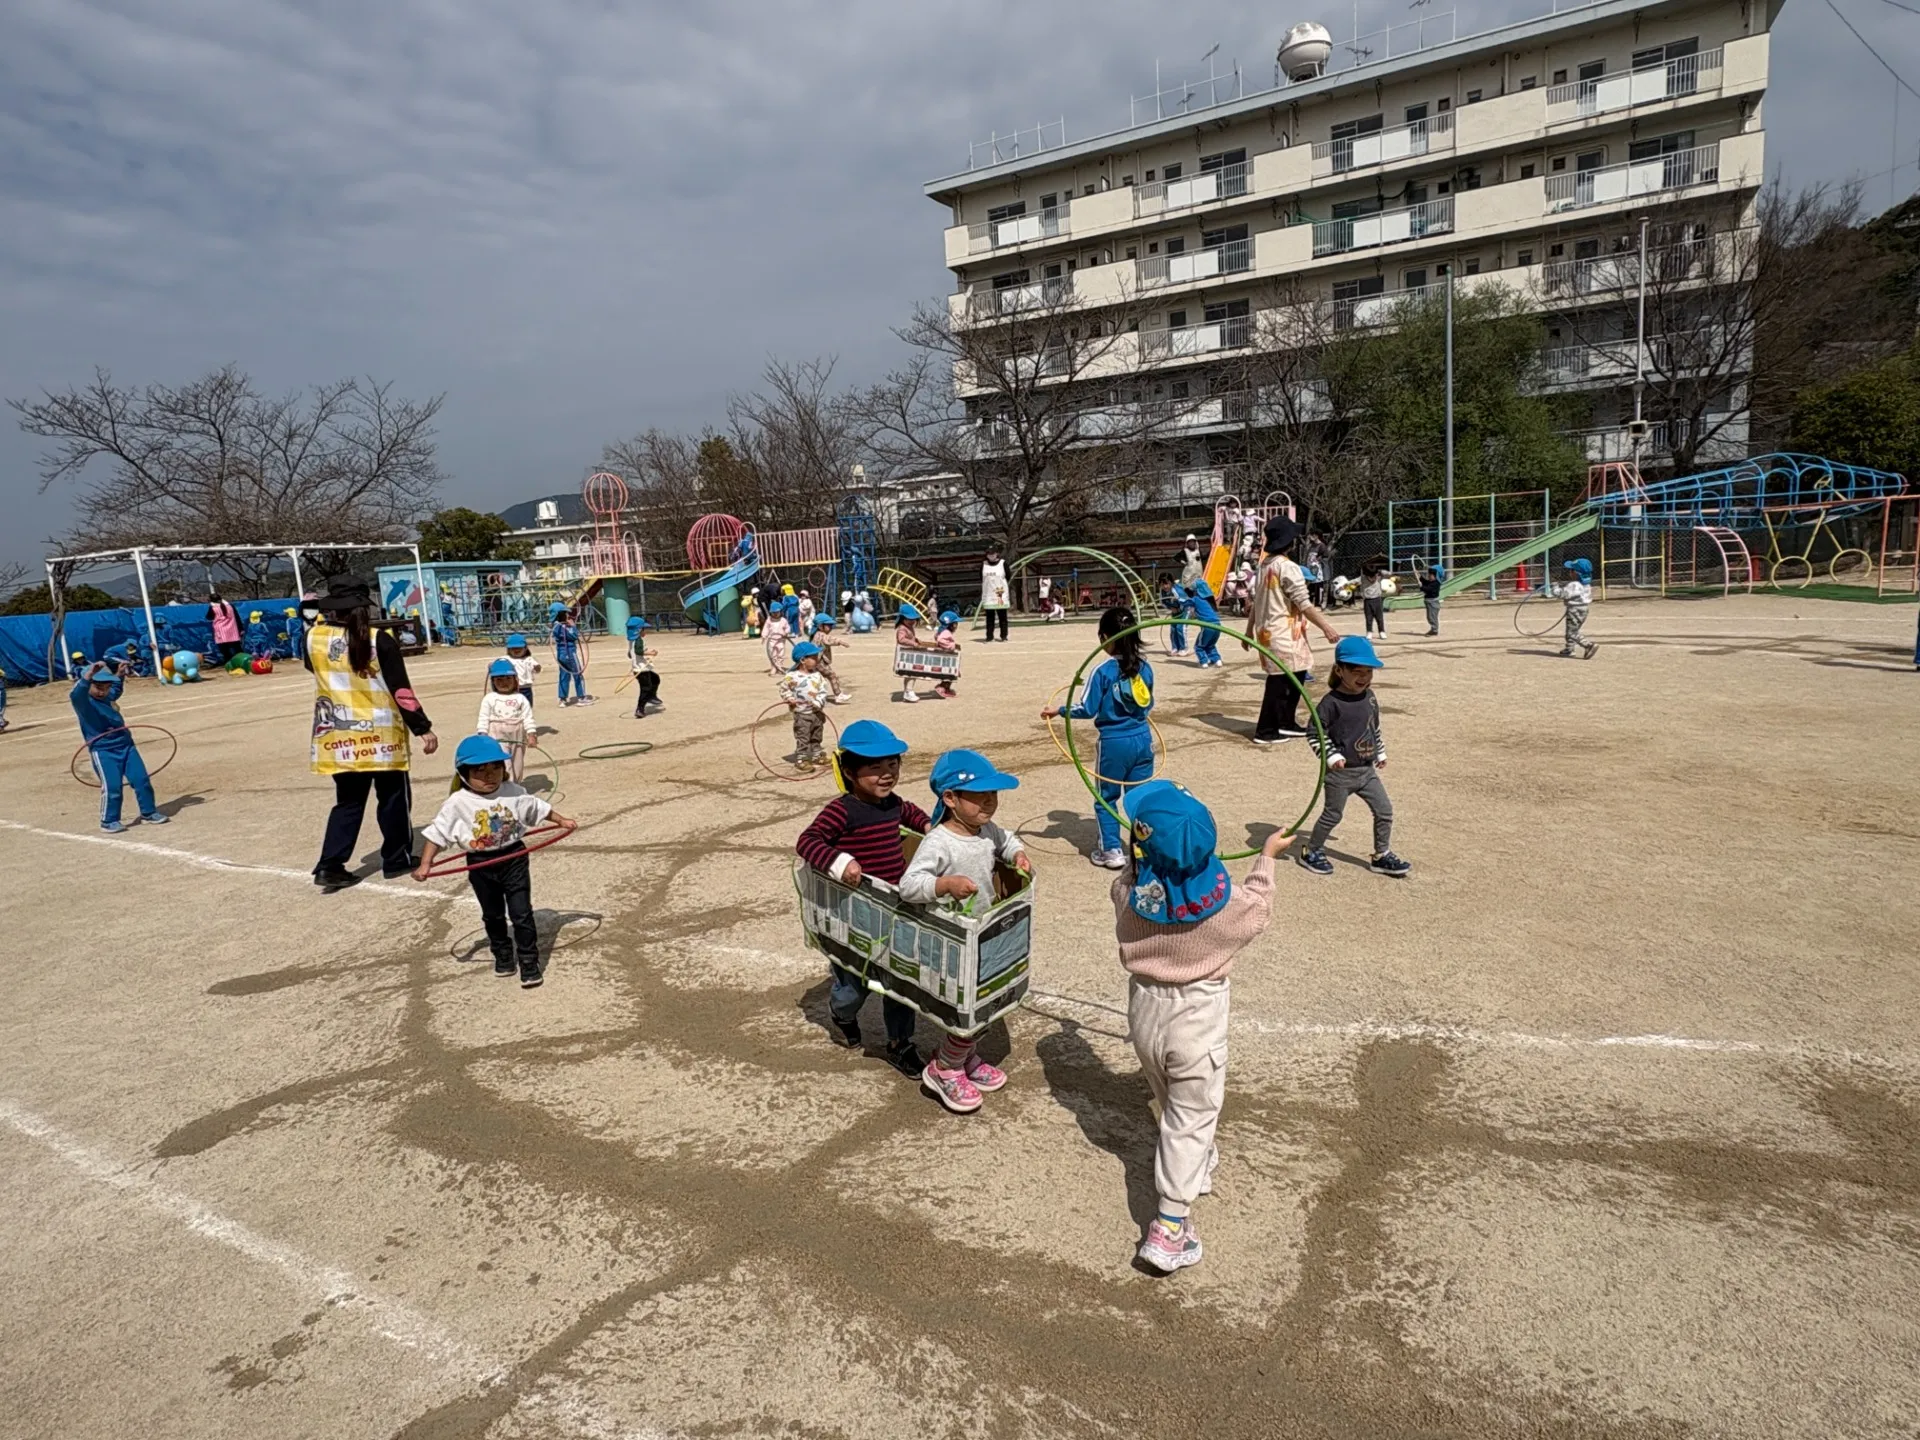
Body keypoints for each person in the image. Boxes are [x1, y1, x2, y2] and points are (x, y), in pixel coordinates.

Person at [1115, 781, 1285, 1273]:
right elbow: (1258, 907)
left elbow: (1132, 873)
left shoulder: (1127, 892)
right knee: (1192, 1114)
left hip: (1145, 1008)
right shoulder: (1229, 907)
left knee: (1167, 1091)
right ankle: (1169, 1229)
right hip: (1198, 1015)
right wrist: (1267, 857)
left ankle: (1196, 1159)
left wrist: (1140, 854)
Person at [795, 719, 929, 1077]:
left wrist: (930, 827)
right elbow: (807, 842)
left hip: (894, 909)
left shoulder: (892, 803)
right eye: (875, 767)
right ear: (850, 772)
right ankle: (841, 1013)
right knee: (853, 988)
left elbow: (911, 813)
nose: (887, 774)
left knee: (901, 984)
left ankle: (901, 1044)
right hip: (853, 915)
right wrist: (841, 861)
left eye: (893, 765)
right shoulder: (842, 810)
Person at [900, 749, 1031, 1113]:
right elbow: (909, 886)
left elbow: (1007, 841)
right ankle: (945, 1067)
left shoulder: (986, 830)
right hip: (953, 939)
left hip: (985, 932)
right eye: (980, 796)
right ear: (950, 799)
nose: (990, 802)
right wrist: (943, 885)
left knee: (990, 1001)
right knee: (967, 1009)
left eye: (994, 795)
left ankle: (961, 1056)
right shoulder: (940, 841)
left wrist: (1017, 855)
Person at [303, 576, 437, 887]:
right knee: (393, 798)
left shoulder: (312, 638)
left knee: (348, 802)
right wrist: (422, 727)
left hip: (338, 735)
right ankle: (395, 857)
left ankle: (330, 863)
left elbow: (315, 670)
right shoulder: (381, 640)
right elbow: (400, 688)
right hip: (382, 734)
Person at [415, 734, 576, 988]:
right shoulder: (457, 803)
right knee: (492, 915)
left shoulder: (513, 792)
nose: (490, 776)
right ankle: (503, 955)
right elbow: (437, 834)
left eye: (496, 768)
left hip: (514, 858)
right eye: (480, 770)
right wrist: (426, 864)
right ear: (463, 773)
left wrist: (562, 821)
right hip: (480, 864)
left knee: (521, 913)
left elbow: (538, 809)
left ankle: (529, 962)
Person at [1040, 605, 1153, 870]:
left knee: (1106, 796)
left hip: (1114, 744)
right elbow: (1148, 704)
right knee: (1140, 798)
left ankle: (1111, 850)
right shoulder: (1145, 668)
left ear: (1104, 638)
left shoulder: (1102, 671)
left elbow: (1087, 709)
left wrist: (1059, 710)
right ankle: (1144, 851)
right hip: (1143, 739)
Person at [1296, 636, 1411, 878]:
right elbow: (1314, 733)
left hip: (1367, 772)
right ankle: (1312, 851)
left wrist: (1379, 750)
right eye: (1357, 671)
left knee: (1385, 810)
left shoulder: (1369, 697)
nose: (1364, 677)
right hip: (1340, 774)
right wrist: (1331, 755)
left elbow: (1373, 727)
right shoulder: (1330, 703)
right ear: (1339, 670)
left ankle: (1381, 855)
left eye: (1368, 672)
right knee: (1332, 815)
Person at [1245, 519, 1342, 746]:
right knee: (1279, 681)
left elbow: (1257, 601)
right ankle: (1266, 729)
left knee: (1297, 673)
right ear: (1289, 542)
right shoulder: (1286, 567)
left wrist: (1250, 630)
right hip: (1282, 632)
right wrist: (1327, 627)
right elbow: (1303, 603)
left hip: (1273, 631)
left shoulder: (1264, 565)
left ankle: (1285, 722)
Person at [71, 662, 169, 832]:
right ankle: (109, 821)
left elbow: (116, 688)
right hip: (103, 750)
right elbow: (76, 694)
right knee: (113, 786)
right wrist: (88, 676)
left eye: (106, 686)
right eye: (98, 686)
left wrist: (120, 673)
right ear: (89, 685)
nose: (103, 690)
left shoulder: (108, 697)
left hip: (126, 745)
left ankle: (148, 812)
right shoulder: (84, 703)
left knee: (141, 780)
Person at [477, 658, 535, 781]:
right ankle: (507, 787)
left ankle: (516, 786)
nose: (504, 682)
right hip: (497, 734)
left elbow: (528, 717)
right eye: (499, 680)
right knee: (504, 762)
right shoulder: (489, 698)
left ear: (515, 680)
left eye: (508, 679)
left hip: (517, 734)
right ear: (493, 681)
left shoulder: (520, 698)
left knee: (517, 763)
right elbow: (483, 718)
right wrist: (482, 734)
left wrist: (531, 734)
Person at [780, 641, 834, 770]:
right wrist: (790, 698)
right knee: (803, 736)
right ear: (803, 660)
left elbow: (823, 691)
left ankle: (816, 756)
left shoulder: (817, 676)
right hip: (801, 714)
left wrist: (817, 703)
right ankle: (801, 759)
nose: (817, 660)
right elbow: (783, 689)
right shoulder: (791, 676)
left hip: (816, 713)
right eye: (814, 658)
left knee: (817, 735)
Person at [1555, 558, 1599, 659]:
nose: (1569, 572)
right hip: (1584, 610)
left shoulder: (1574, 585)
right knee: (1572, 629)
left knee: (1572, 632)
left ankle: (1588, 645)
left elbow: (1563, 594)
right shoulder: (1586, 585)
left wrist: (1554, 589)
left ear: (1576, 573)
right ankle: (1569, 649)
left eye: (1571, 570)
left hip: (1575, 610)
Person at [551, 608, 592, 706]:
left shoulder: (556, 626)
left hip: (561, 654)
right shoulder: (561, 626)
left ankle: (563, 699)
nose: (568, 615)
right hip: (569, 653)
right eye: (566, 613)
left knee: (564, 676)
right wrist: (573, 626)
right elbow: (573, 636)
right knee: (577, 674)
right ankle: (581, 697)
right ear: (561, 614)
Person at [809, 615, 853, 702]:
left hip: (818, 661)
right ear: (820, 626)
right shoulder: (821, 634)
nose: (831, 628)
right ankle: (838, 695)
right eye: (828, 625)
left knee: (818, 679)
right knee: (832, 676)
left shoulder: (816, 634)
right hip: (819, 662)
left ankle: (814, 696)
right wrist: (840, 642)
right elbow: (829, 639)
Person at [894, 602, 930, 703]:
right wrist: (913, 643)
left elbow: (910, 637)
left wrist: (916, 640)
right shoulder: (902, 628)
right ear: (902, 618)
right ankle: (909, 691)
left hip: (910, 655)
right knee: (912, 674)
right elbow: (901, 639)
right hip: (906, 655)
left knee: (911, 674)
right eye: (908, 619)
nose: (911, 621)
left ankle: (907, 692)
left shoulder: (909, 628)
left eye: (913, 619)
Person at [627, 617, 662, 718]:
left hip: (639, 667)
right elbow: (638, 652)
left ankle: (652, 696)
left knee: (655, 679)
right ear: (638, 630)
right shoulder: (638, 640)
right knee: (645, 688)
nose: (645, 631)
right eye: (644, 629)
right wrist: (651, 653)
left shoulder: (632, 641)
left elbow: (630, 654)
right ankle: (640, 708)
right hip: (641, 669)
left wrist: (634, 658)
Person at [1187, 580, 1224, 667]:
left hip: (1208, 626)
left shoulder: (1196, 599)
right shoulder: (1209, 601)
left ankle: (1203, 662)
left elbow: (1185, 603)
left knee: (1199, 646)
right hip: (1218, 625)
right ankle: (1217, 660)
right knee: (1210, 645)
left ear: (1196, 591)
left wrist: (1178, 600)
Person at [503, 633, 540, 721]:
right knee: (513, 710)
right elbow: (496, 665)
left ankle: (527, 727)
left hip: (526, 689)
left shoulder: (529, 659)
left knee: (527, 709)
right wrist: (491, 666)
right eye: (513, 648)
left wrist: (537, 667)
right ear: (508, 649)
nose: (516, 650)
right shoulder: (506, 659)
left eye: (519, 648)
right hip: (512, 690)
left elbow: (537, 669)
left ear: (525, 648)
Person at [980, 544, 1011, 642]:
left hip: (1000, 594)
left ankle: (1004, 636)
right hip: (988, 595)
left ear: (997, 554)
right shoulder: (983, 564)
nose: (991, 556)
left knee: (1002, 617)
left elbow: (1008, 576)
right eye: (989, 554)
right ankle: (989, 636)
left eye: (992, 553)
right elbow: (981, 578)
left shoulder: (1003, 563)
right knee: (989, 618)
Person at [932, 609, 961, 699]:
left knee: (951, 674)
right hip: (946, 658)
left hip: (948, 658)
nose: (957, 626)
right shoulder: (946, 632)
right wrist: (951, 646)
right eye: (955, 624)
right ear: (950, 625)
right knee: (949, 674)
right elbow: (940, 640)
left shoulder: (943, 631)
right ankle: (942, 687)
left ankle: (946, 688)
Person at [208, 593, 243, 667]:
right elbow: (237, 617)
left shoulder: (213, 608)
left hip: (221, 631)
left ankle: (230, 663)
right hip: (232, 630)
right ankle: (242, 661)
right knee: (237, 648)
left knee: (224, 650)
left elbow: (209, 617)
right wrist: (241, 628)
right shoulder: (230, 606)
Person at [1358, 556, 1389, 638]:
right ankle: (1369, 632)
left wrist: (1380, 571)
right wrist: (1346, 584)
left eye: (1374, 575)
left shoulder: (1379, 577)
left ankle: (1382, 631)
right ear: (1366, 575)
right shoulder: (1363, 578)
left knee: (1379, 617)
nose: (1372, 578)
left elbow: (1389, 573)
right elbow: (1354, 581)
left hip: (1377, 600)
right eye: (1370, 576)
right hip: (1367, 601)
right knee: (1368, 618)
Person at [1158, 578, 1188, 655]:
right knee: (1173, 629)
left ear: (1171, 583)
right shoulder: (1162, 592)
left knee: (1180, 628)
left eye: (1167, 584)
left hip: (1185, 610)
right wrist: (1171, 608)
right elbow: (1162, 602)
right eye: (1162, 584)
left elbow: (1184, 601)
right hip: (1174, 611)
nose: (1165, 586)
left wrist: (1179, 609)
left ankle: (1183, 648)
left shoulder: (1176, 590)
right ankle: (1175, 648)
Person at [762, 601, 792, 675]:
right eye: (773, 612)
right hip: (771, 640)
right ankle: (774, 667)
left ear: (781, 612)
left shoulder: (783, 620)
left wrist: (786, 632)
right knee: (772, 654)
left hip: (781, 640)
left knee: (780, 654)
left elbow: (788, 628)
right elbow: (766, 628)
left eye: (777, 612)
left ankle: (780, 666)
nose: (775, 614)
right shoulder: (769, 620)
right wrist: (764, 635)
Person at [1419, 563, 1445, 637]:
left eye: (1431, 575)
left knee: (1432, 617)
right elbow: (1426, 582)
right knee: (1429, 617)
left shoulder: (1436, 584)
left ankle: (1434, 630)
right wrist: (1420, 577)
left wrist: (1421, 587)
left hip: (1433, 603)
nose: (1429, 576)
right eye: (1429, 574)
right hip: (1429, 602)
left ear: (1436, 575)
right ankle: (1433, 629)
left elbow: (1428, 589)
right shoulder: (1432, 582)